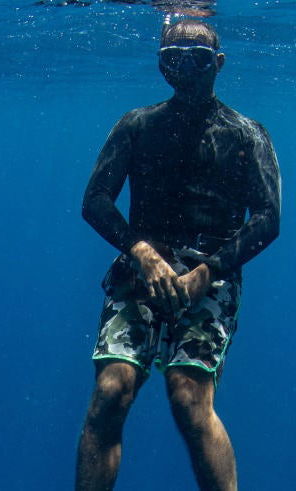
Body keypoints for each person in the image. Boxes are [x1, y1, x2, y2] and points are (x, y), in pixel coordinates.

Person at [75, 18, 281, 491]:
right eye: (174, 60)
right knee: (110, 393)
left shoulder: (248, 134)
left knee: (189, 397)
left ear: (219, 64)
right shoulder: (136, 126)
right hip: (139, 274)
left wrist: (207, 272)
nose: (185, 71)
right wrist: (141, 252)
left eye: (198, 60)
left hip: (213, 276)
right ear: (161, 65)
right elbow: (95, 201)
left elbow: (267, 219)